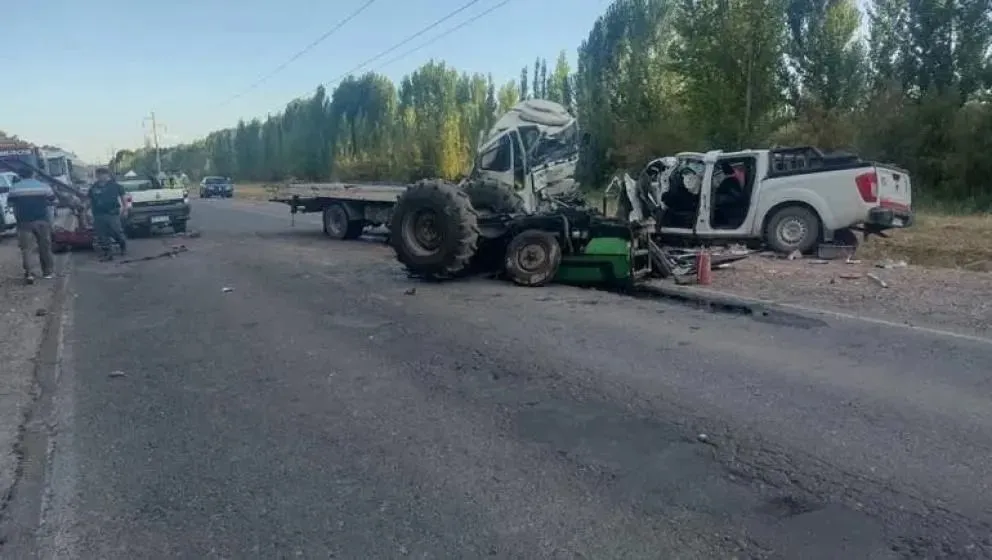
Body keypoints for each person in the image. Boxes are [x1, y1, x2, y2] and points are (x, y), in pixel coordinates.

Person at [7, 169, 56, 284]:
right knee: (45, 247)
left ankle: (29, 274)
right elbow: (53, 200)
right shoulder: (44, 186)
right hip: (42, 221)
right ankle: (48, 272)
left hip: (24, 222)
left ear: (20, 176)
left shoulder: (15, 188)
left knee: (26, 249)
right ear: (33, 175)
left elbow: (10, 204)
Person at [88, 167, 128, 260]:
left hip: (112, 214)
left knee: (117, 232)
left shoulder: (115, 186)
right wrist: (87, 212)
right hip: (98, 214)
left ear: (107, 175)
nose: (100, 176)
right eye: (98, 175)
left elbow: (123, 198)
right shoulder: (93, 187)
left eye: (102, 174)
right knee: (102, 235)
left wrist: (125, 209)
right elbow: (89, 201)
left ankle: (123, 245)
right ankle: (108, 253)